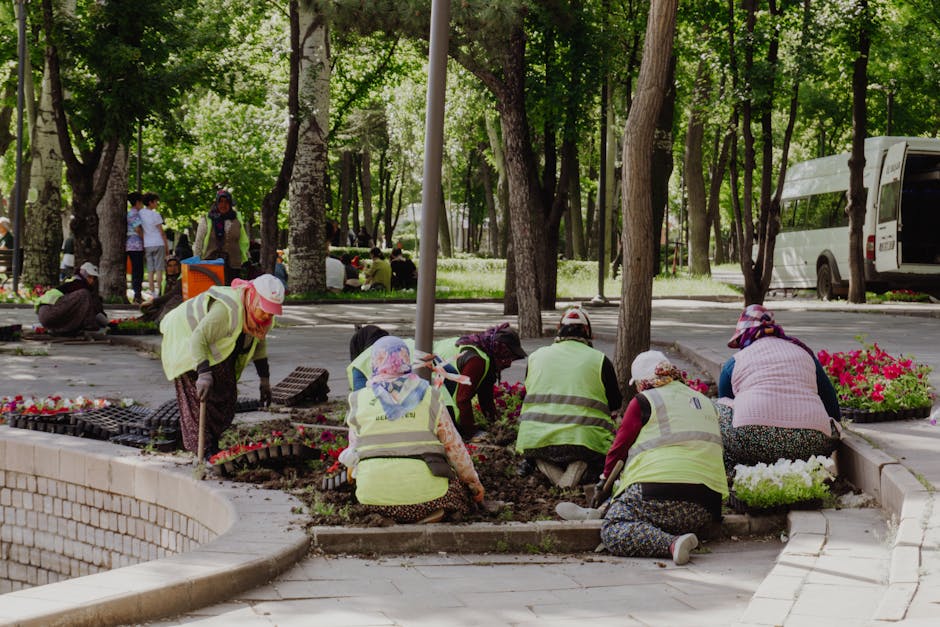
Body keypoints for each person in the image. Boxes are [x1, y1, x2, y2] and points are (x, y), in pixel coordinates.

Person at [560, 350, 728, 566]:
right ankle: (601, 510)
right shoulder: (704, 401)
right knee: (638, 502)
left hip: (658, 495)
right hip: (706, 505)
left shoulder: (645, 400)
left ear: (641, 381)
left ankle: (671, 543)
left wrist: (603, 483)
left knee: (614, 528)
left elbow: (618, 450)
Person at [340, 336, 485, 523]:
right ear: (406, 360)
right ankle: (428, 512)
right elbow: (454, 448)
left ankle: (387, 514)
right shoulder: (430, 395)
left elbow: (353, 453)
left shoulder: (358, 399)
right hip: (427, 498)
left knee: (366, 486)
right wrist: (474, 484)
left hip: (373, 499)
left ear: (375, 362)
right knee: (459, 493)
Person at [159, 273, 284, 456]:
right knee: (197, 400)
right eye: (263, 308)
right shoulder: (227, 309)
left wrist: (264, 380)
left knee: (225, 395)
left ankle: (212, 444)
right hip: (186, 340)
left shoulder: (261, 318)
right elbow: (198, 338)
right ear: (253, 297)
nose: (266, 315)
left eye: (271, 311)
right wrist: (203, 373)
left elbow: (259, 343)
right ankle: (204, 451)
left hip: (211, 346)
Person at [716, 304, 841, 468]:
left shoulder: (735, 361)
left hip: (753, 442)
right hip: (812, 443)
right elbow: (830, 402)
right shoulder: (803, 353)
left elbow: (725, 402)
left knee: (715, 408)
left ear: (744, 336)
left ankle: (735, 470)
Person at [515, 308, 622, 487]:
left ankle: (543, 465)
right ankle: (576, 470)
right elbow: (615, 403)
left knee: (539, 456)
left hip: (536, 441)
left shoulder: (536, 357)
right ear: (588, 332)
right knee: (593, 459)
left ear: (559, 328)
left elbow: (526, 393)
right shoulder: (600, 360)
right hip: (584, 443)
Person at [453, 323, 527, 441]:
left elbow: (485, 398)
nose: (508, 364)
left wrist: (496, 424)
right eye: (507, 357)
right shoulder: (477, 361)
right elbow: (462, 399)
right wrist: (471, 432)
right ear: (499, 350)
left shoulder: (487, 359)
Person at [34, 262, 108, 336]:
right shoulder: (79, 285)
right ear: (84, 275)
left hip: (47, 315)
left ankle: (61, 330)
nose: (92, 281)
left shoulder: (72, 283)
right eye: (89, 277)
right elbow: (94, 308)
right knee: (84, 294)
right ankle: (89, 327)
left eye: (94, 278)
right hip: (50, 312)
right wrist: (102, 323)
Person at [194, 189, 250, 285]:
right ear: (216, 203)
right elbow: (199, 241)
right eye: (220, 201)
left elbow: (242, 241)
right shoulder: (207, 220)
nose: (223, 205)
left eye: (226, 202)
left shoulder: (237, 220)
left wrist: (246, 258)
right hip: (211, 264)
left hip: (233, 265)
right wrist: (196, 262)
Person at [139, 192, 169, 297]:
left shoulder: (141, 213)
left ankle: (152, 292)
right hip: (158, 242)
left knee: (150, 269)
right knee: (159, 268)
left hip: (147, 244)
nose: (157, 204)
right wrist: (166, 247)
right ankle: (159, 290)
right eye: (156, 202)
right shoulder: (156, 215)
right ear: (150, 202)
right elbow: (161, 232)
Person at [139, 255, 183, 323]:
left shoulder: (181, 279)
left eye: (175, 265)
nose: (173, 268)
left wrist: (153, 301)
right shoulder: (165, 281)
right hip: (164, 304)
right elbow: (161, 295)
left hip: (175, 305)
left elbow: (172, 294)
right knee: (147, 308)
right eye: (170, 266)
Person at [126, 192, 145, 304]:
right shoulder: (134, 214)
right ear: (137, 202)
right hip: (135, 246)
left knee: (137, 270)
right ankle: (137, 295)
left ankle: (137, 294)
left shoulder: (133, 213)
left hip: (133, 245)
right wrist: (145, 240)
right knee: (137, 271)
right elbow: (138, 229)